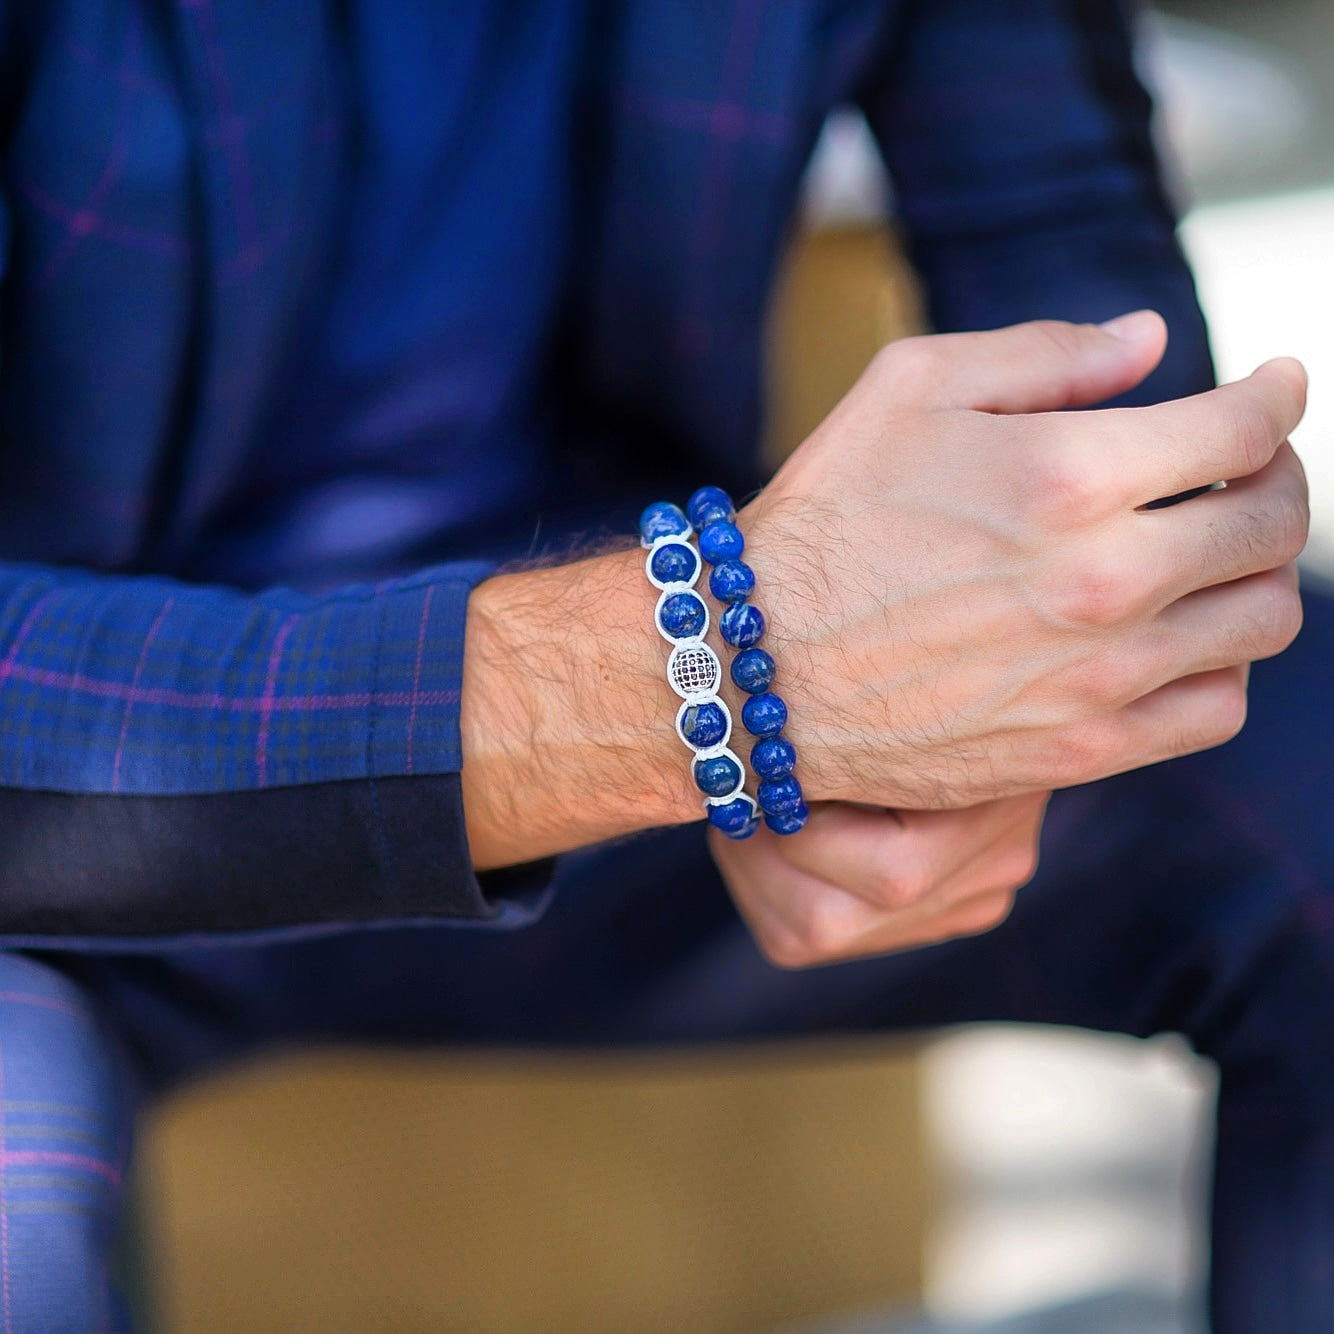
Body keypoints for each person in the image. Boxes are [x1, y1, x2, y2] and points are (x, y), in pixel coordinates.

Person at [0, 1, 1326, 1329]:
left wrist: (1047, 659)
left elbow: (1052, 208)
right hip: (62, 791)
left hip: (671, 754)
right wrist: (690, 676)